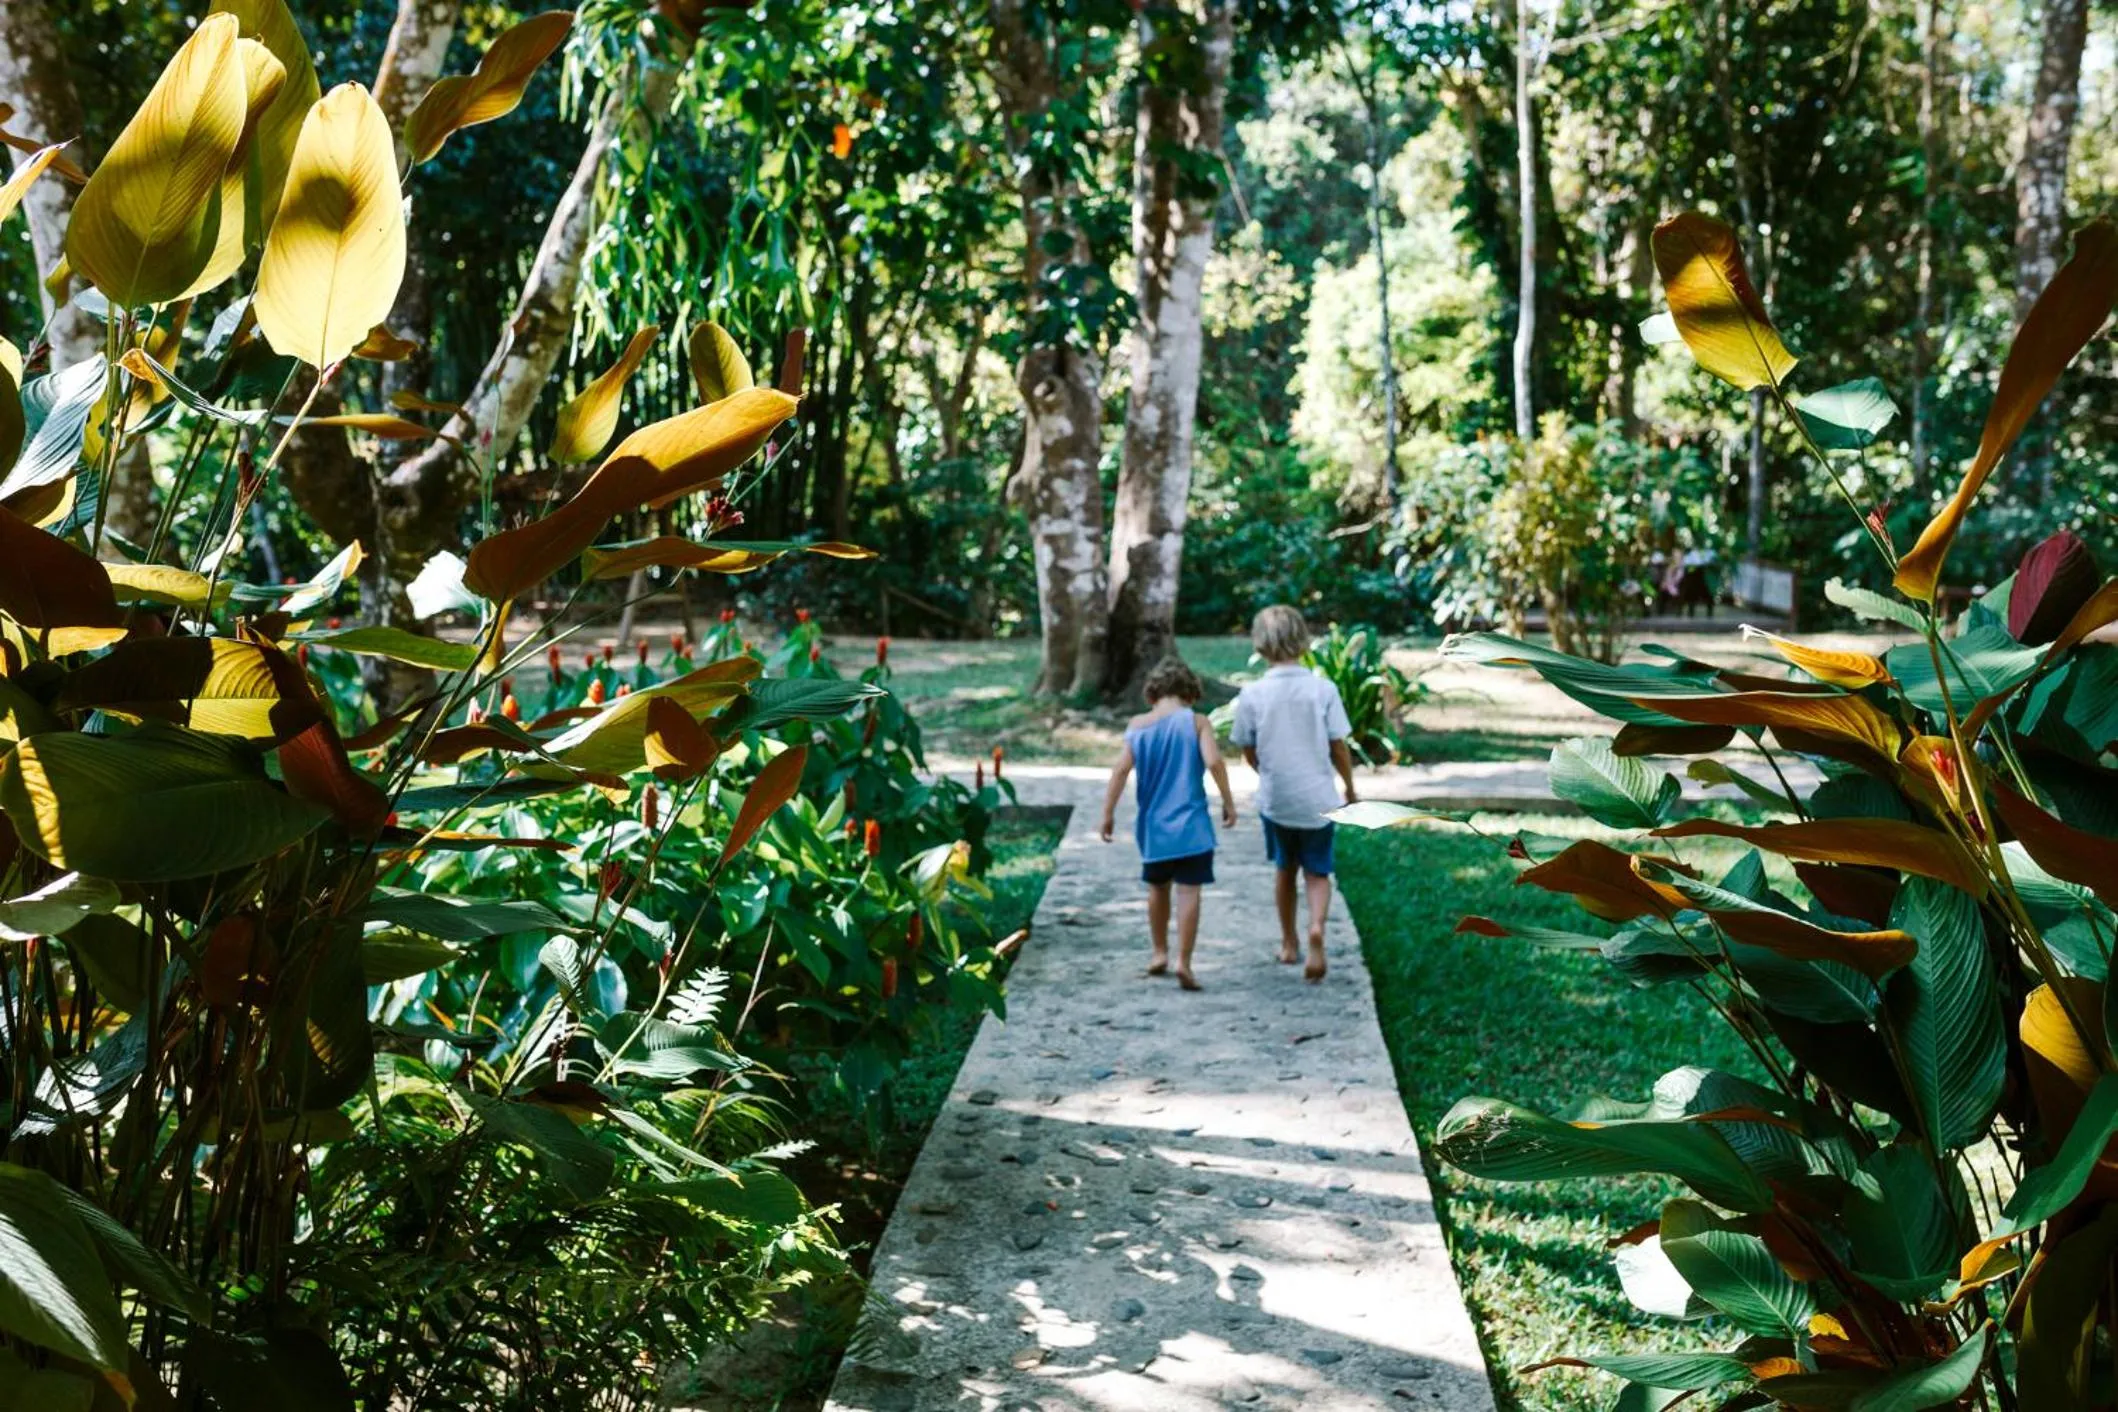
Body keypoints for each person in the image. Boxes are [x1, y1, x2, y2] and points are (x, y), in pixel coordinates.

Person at [1230, 605, 1357, 983]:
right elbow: (1339, 747)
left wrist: (1266, 772)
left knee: (1285, 869)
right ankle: (1316, 926)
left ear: (1260, 644)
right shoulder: (1323, 689)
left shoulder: (1252, 694)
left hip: (1277, 799)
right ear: (1303, 640)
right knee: (1318, 870)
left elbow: (1248, 748)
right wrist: (1350, 788)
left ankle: (1289, 942)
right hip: (1319, 799)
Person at [1098, 655, 1238, 991]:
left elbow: (1120, 770)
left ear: (1151, 695)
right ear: (1191, 694)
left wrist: (1107, 813)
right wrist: (1228, 801)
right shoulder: (1197, 722)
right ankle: (1184, 962)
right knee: (1189, 891)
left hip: (1154, 830)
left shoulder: (1138, 726)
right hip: (1193, 829)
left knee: (1157, 888)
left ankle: (1159, 951)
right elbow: (1214, 762)